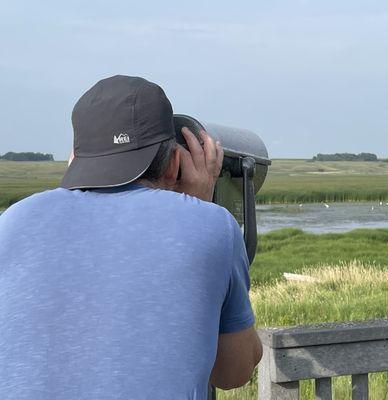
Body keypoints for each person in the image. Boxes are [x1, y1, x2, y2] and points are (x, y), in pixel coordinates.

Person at [0, 75, 263, 400]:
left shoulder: (12, 221)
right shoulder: (210, 225)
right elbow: (232, 372)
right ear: (174, 163)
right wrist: (195, 205)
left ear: (74, 158)